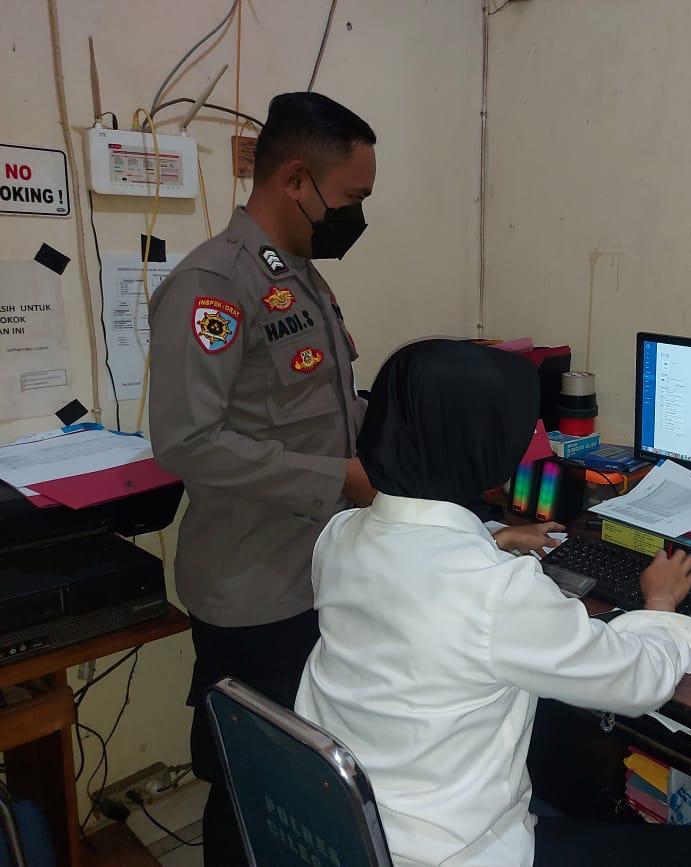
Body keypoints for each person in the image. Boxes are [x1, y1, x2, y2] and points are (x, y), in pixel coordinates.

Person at [294, 339, 691, 866]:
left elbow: (415, 587)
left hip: (353, 827)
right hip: (449, 853)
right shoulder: (496, 591)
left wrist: (488, 542)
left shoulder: (341, 535)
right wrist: (661, 601)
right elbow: (638, 682)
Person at [148, 92, 381, 865]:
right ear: (295, 180)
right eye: (350, 197)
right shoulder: (212, 285)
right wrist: (337, 477)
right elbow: (188, 442)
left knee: (308, 790)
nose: (357, 216)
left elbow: (322, 409)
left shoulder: (303, 278)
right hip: (252, 591)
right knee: (252, 789)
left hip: (316, 574)